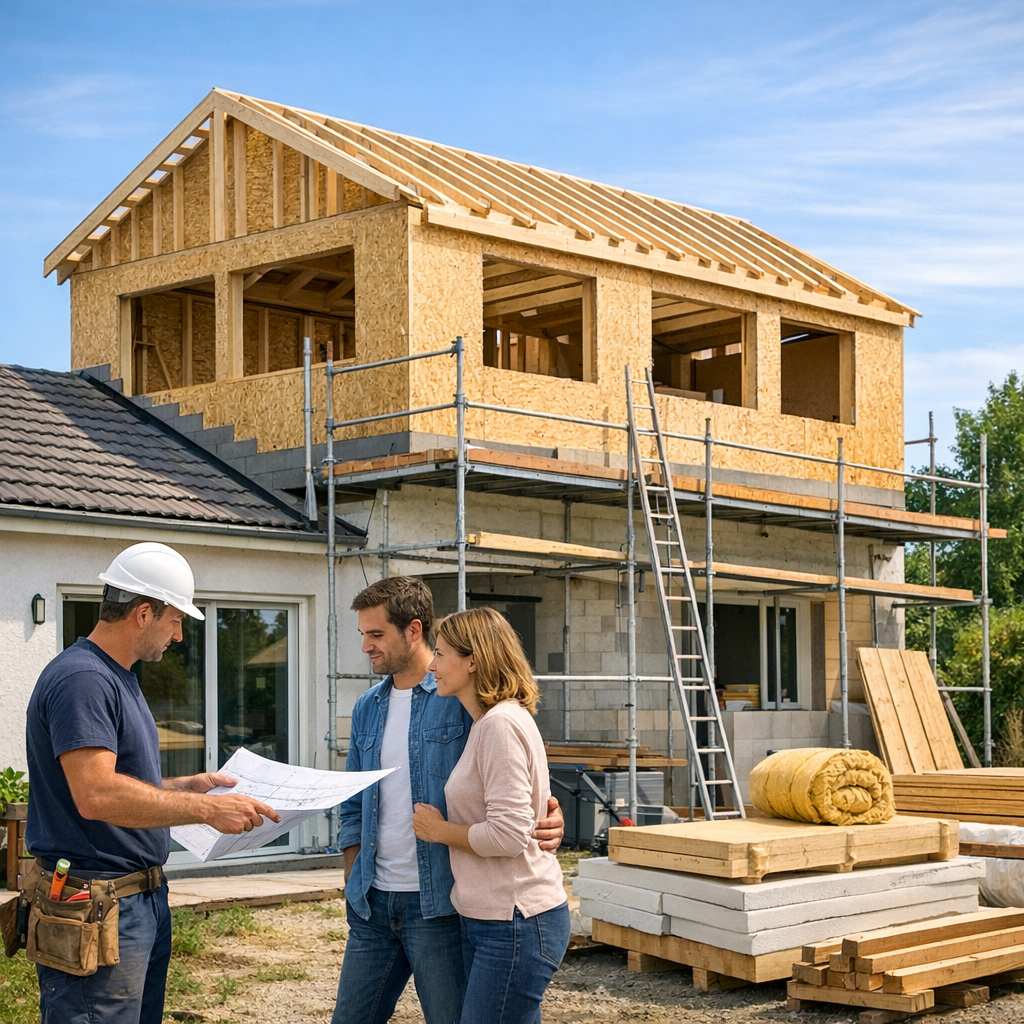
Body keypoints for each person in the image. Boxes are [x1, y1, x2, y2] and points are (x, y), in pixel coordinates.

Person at [24, 542, 280, 1024]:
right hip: (96, 901)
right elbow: (96, 794)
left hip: (131, 900)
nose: (180, 635)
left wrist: (187, 787)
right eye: (176, 619)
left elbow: (117, 782)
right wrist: (208, 812)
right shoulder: (84, 679)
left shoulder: (117, 677)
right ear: (144, 613)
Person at [333, 577, 563, 1024]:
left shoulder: (462, 698)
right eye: (363, 634)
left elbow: (515, 787)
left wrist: (549, 815)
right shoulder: (367, 707)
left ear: (413, 630)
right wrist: (352, 875)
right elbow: (355, 802)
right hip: (373, 904)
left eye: (376, 634)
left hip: (439, 905)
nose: (366, 646)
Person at [412, 607, 570, 1024]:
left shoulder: (499, 725)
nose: (432, 665)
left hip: (515, 921)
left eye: (441, 654)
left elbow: (508, 835)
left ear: (473, 661)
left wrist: (440, 830)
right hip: (494, 919)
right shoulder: (489, 722)